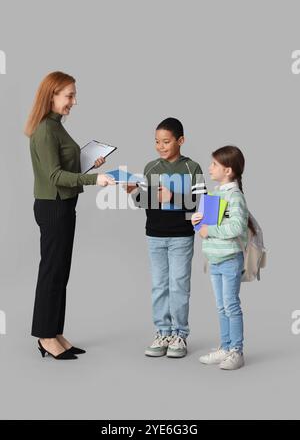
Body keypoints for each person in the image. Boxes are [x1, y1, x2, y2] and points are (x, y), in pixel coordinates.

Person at [24, 71, 115, 360]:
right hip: (53, 206)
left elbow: (64, 165)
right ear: (51, 95)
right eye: (69, 95)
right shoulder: (45, 130)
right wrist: (94, 179)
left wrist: (87, 162)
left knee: (60, 272)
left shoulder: (56, 125)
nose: (74, 101)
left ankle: (54, 332)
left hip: (63, 205)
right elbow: (54, 176)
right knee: (51, 272)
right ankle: (44, 336)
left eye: (74, 95)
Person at [125, 118, 206, 358]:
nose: (161, 146)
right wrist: (134, 193)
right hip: (155, 235)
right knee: (159, 286)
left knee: (179, 285)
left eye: (166, 141)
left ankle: (179, 334)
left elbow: (202, 203)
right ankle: (163, 332)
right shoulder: (151, 167)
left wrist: (173, 196)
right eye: (157, 142)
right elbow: (144, 202)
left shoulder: (193, 168)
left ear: (181, 141)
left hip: (181, 236)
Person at [192, 145, 254, 370]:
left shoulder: (235, 196)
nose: (209, 167)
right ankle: (226, 347)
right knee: (221, 306)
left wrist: (211, 230)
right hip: (215, 259)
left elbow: (237, 227)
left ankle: (237, 351)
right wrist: (198, 221)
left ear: (228, 170)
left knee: (231, 305)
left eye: (214, 164)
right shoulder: (216, 193)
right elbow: (209, 224)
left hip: (229, 259)